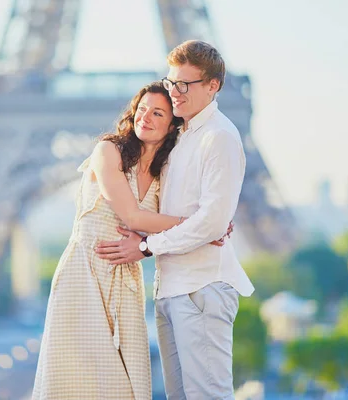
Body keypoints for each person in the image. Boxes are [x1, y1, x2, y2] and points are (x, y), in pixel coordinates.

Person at [31, 81, 229, 399]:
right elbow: (134, 217)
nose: (145, 117)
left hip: (126, 282)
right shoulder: (107, 151)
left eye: (157, 113)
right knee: (76, 380)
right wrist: (202, 226)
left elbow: (171, 228)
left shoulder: (168, 175)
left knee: (126, 387)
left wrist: (210, 225)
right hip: (84, 274)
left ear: (172, 125)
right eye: (141, 109)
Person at [95, 40, 255, 399]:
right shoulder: (179, 137)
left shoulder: (220, 138)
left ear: (213, 86)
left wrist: (148, 247)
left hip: (201, 288)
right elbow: (154, 208)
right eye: (171, 83)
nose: (175, 93)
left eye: (185, 84)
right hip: (171, 289)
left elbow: (211, 222)